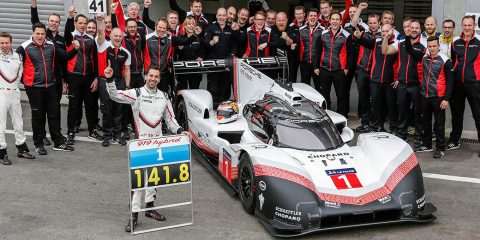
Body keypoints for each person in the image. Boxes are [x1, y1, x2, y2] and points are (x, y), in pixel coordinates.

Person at [103, 64, 188, 232]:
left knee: (155, 177)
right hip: (141, 144)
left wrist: (180, 131)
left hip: (158, 144)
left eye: (156, 77)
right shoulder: (137, 93)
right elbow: (114, 95)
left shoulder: (164, 96)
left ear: (159, 79)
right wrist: (110, 79)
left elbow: (170, 120)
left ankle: (149, 208)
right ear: (145, 76)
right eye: (151, 76)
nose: (153, 79)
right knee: (139, 181)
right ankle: (134, 215)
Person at [17, 22, 74, 154]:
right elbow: (17, 67)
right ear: (33, 33)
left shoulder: (51, 45)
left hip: (51, 86)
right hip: (34, 88)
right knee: (38, 116)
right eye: (38, 33)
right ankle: (38, 144)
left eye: (42, 33)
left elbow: (66, 57)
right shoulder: (23, 47)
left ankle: (58, 142)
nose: (40, 36)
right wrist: (26, 82)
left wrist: (75, 48)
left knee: (54, 115)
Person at [405, 34, 453, 158]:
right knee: (425, 122)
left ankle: (440, 148)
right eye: (430, 46)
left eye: (434, 46)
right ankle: (427, 144)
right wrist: (408, 35)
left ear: (439, 46)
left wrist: (446, 99)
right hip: (424, 96)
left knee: (439, 124)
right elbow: (409, 49)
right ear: (427, 47)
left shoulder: (446, 60)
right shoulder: (424, 57)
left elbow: (450, 82)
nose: (432, 48)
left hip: (438, 98)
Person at [382, 19, 426, 150]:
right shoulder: (400, 42)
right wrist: (386, 37)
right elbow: (385, 51)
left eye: (416, 28)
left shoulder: (424, 44)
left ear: (420, 30)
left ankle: (418, 138)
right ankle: (402, 135)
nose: (413, 30)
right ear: (408, 29)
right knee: (402, 111)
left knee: (418, 113)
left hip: (417, 84)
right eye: (411, 27)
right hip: (402, 84)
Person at [30, 0, 65, 146]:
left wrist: (65, 81)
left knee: (54, 109)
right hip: (43, 78)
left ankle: (56, 133)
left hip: (56, 79)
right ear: (48, 22)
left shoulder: (62, 39)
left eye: (56, 21)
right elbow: (35, 21)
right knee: (42, 109)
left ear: (59, 23)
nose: (53, 23)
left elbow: (65, 60)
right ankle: (42, 135)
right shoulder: (43, 34)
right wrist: (34, 5)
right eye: (51, 21)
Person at [64, 6, 101, 145]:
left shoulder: (91, 39)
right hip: (74, 76)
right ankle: (71, 132)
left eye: (85, 23)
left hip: (89, 77)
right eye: (80, 23)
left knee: (91, 105)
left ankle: (92, 130)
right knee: (74, 105)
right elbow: (66, 31)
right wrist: (69, 16)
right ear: (75, 23)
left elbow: (95, 59)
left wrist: (96, 78)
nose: (83, 25)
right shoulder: (70, 37)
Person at [354, 23, 398, 133]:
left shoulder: (397, 43)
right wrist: (359, 37)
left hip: (390, 81)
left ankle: (394, 129)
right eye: (382, 31)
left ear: (392, 31)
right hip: (375, 80)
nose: (384, 33)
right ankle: (375, 127)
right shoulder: (376, 41)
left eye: (387, 31)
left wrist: (397, 78)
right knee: (375, 105)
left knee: (391, 107)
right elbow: (364, 42)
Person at [96, 14, 131, 147]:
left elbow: (127, 70)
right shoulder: (103, 45)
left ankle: (117, 134)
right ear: (110, 36)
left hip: (120, 82)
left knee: (118, 110)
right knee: (107, 110)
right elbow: (100, 32)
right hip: (105, 81)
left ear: (122, 38)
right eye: (115, 35)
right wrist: (99, 21)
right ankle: (107, 135)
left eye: (119, 36)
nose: (117, 38)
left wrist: (127, 86)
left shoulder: (126, 52)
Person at [0, 32, 35, 165]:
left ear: (11, 43)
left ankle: (21, 149)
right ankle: (2, 152)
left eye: (7, 42)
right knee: (1, 125)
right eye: (2, 43)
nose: (4, 45)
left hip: (15, 92)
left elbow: (21, 74)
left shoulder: (18, 57)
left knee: (19, 123)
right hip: (1, 92)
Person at [447, 16, 480, 151]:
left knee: (478, 114)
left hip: (474, 84)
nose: (467, 28)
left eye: (469, 25)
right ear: (461, 25)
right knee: (457, 114)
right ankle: (454, 140)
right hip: (457, 84)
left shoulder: (479, 41)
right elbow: (454, 61)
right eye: (465, 25)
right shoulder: (455, 41)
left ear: (474, 25)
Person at [144, 18, 200, 96]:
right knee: (148, 95)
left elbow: (185, 41)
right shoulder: (146, 38)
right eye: (160, 27)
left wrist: (195, 35)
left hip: (163, 74)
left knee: (163, 96)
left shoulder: (170, 38)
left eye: (164, 28)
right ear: (156, 26)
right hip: (150, 73)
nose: (162, 30)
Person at [313, 11, 353, 118]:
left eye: (337, 19)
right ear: (329, 20)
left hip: (340, 70)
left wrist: (347, 68)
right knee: (324, 94)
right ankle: (326, 115)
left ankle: (342, 116)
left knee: (341, 95)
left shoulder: (347, 35)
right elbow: (317, 50)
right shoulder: (323, 34)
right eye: (333, 19)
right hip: (324, 69)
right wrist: (316, 66)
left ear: (340, 21)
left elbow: (351, 54)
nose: (335, 21)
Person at [204, 8, 237, 102]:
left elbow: (235, 45)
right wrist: (211, 42)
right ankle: (212, 110)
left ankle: (224, 113)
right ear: (216, 16)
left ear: (226, 16)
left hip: (226, 64)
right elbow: (205, 41)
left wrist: (231, 55)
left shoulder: (230, 29)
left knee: (225, 91)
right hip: (213, 64)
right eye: (219, 15)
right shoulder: (211, 27)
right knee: (212, 90)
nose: (221, 17)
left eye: (223, 15)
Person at [176, 17, 205, 90]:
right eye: (189, 24)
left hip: (195, 69)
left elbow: (203, 49)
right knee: (182, 91)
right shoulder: (180, 38)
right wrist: (179, 49)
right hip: (183, 69)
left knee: (194, 90)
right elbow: (176, 53)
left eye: (193, 24)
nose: (191, 25)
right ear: (185, 26)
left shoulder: (198, 38)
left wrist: (201, 56)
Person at [298, 8, 323, 87]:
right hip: (305, 63)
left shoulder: (323, 30)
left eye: (315, 16)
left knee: (319, 86)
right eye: (311, 16)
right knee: (305, 87)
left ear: (317, 17)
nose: (312, 17)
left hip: (318, 63)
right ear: (307, 17)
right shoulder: (301, 30)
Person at [287, 6, 306, 83]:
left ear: (304, 14)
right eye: (297, 14)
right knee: (292, 78)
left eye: (301, 13)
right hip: (294, 55)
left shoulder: (309, 24)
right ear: (294, 15)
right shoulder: (290, 26)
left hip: (305, 56)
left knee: (305, 79)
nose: (299, 16)